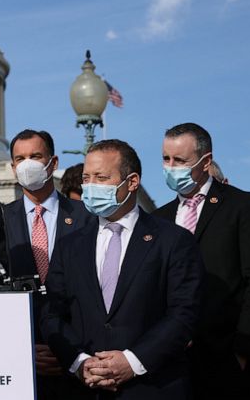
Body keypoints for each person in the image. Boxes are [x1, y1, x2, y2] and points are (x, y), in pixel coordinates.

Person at [41, 139, 204, 399]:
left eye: (101, 177)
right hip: (86, 388)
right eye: (87, 177)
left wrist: (132, 361)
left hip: (153, 387)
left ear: (132, 182)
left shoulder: (173, 240)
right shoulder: (69, 245)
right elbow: (52, 314)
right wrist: (80, 362)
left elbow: (183, 313)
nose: (90, 186)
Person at [154, 123, 250, 398]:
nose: (171, 166)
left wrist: (243, 351)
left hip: (226, 361)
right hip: (170, 365)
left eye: (180, 160)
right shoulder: (157, 220)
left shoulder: (242, 207)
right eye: (166, 159)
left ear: (205, 161)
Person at [1, 130, 91, 399]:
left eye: (35, 156)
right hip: (19, 362)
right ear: (13, 167)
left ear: (53, 163)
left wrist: (69, 349)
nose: (28, 164)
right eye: (21, 158)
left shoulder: (87, 218)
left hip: (78, 360)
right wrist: (26, 346)